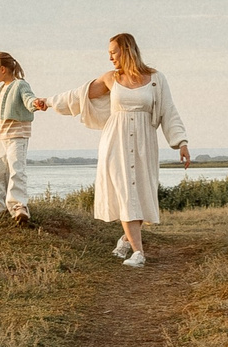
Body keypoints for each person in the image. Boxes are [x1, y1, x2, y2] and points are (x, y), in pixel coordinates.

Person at [49, 32, 190, 267]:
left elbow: (169, 110)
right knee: (125, 192)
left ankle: (126, 239)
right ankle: (138, 253)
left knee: (141, 193)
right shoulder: (111, 79)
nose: (110, 57)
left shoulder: (156, 79)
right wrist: (48, 102)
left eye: (113, 52)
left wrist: (181, 142)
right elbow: (78, 96)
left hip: (144, 143)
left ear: (126, 50)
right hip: (116, 142)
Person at [0, 51, 45, 224]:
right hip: (1, 136)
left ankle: (18, 206)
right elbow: (1, 110)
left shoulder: (20, 85)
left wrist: (35, 103)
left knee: (16, 169)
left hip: (18, 136)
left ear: (2, 69)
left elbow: (28, 99)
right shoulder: (2, 89)